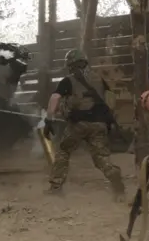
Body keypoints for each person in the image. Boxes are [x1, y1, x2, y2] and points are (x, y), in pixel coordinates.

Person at [43, 49, 126, 199]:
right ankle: (113, 174)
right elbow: (111, 99)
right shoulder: (99, 79)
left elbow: (55, 98)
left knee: (63, 151)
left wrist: (49, 120)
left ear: (70, 64)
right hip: (99, 124)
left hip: (78, 125)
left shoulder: (68, 80)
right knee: (101, 157)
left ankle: (56, 187)